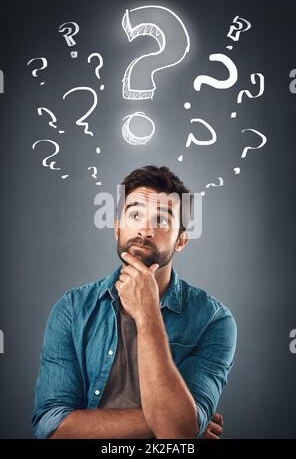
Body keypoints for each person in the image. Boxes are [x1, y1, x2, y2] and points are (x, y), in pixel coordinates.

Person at [32, 165, 237, 439]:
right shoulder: (71, 310)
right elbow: (51, 427)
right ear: (117, 228)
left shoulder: (214, 321)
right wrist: (180, 420)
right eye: (135, 214)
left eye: (162, 220)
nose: (146, 229)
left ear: (181, 241)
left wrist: (148, 313)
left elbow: (177, 436)